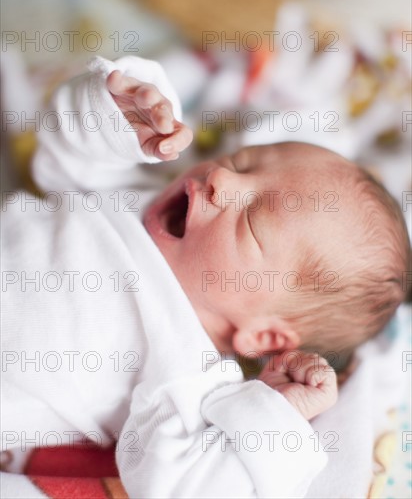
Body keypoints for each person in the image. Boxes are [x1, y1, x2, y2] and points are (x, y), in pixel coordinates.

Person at [1, 56, 409, 498]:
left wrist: (274, 412)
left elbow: (181, 486)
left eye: (253, 223)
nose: (222, 179)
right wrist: (119, 118)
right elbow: (63, 163)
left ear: (264, 338)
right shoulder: (134, 199)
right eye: (243, 162)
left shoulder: (188, 370)